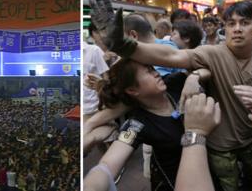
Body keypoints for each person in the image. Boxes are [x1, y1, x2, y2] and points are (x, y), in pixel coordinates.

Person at [91, 0, 252, 191]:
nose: (237, 29)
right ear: (225, 29)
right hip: (219, 149)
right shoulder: (212, 53)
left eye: (244, 23)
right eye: (231, 24)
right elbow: (171, 55)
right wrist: (123, 44)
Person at [84, 57, 208, 191]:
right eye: (148, 72)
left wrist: (194, 77)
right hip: (178, 181)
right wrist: (90, 139)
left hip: (210, 166)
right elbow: (106, 166)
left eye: (153, 68)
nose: (156, 73)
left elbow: (208, 70)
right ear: (132, 90)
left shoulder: (175, 82)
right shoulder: (137, 123)